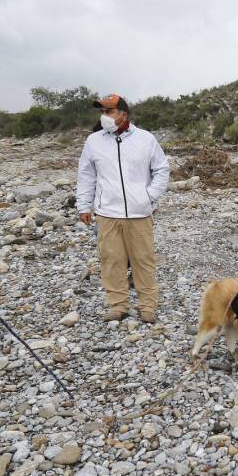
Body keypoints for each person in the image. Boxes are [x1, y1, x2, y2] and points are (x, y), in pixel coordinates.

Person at [76, 93, 170, 323]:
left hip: (139, 214)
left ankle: (147, 307)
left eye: (109, 111)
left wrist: (149, 197)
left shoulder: (146, 139)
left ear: (123, 114)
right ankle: (118, 306)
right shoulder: (94, 141)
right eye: (102, 112)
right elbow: (86, 174)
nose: (104, 116)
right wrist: (83, 205)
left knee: (144, 261)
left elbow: (162, 169)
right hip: (107, 213)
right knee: (111, 261)